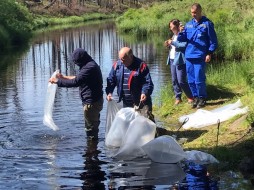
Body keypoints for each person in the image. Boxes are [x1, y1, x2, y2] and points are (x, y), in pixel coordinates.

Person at [49, 48, 103, 138]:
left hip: (91, 103)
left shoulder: (90, 67)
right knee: (92, 126)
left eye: (76, 62)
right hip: (93, 102)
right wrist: (64, 77)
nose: (75, 64)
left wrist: (57, 81)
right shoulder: (88, 64)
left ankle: (91, 149)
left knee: (90, 129)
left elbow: (76, 82)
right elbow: (79, 77)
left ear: (81, 60)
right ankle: (92, 147)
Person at [177, 3, 218, 108]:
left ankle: (202, 98)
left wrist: (209, 53)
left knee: (199, 79)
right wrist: (180, 32)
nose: (193, 15)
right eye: (192, 13)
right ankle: (195, 98)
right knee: (190, 80)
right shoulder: (188, 24)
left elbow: (213, 41)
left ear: (200, 11)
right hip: (189, 55)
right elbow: (181, 39)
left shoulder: (207, 24)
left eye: (195, 12)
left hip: (200, 56)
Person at [106, 47, 154, 121]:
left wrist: (145, 92)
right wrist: (109, 92)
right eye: (120, 59)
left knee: (145, 124)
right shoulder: (117, 65)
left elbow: (147, 83)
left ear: (130, 56)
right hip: (126, 103)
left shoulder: (141, 65)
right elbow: (111, 80)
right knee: (128, 124)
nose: (121, 61)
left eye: (123, 59)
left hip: (141, 102)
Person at [164, 19, 194, 105]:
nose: (170, 28)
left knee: (181, 80)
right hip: (172, 59)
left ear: (177, 26)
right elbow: (174, 47)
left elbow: (184, 45)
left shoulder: (182, 35)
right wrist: (168, 44)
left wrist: (173, 42)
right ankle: (178, 98)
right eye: (170, 27)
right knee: (174, 80)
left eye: (172, 26)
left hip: (180, 60)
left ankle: (190, 97)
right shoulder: (173, 36)